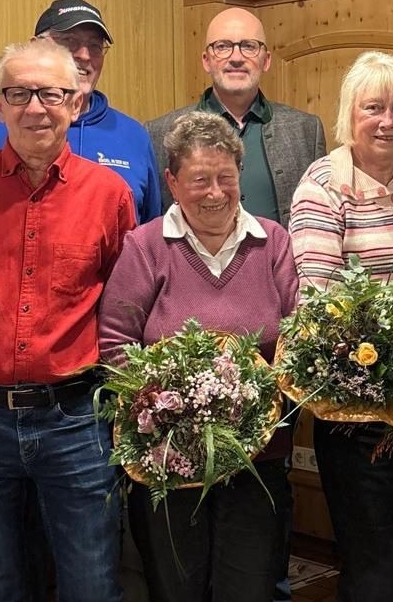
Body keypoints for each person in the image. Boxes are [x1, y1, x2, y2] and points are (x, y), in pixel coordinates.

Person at [0, 39, 135, 602]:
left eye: (51, 93)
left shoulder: (110, 194)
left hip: (76, 419)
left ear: (77, 101)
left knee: (91, 584)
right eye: (19, 93)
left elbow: (120, 308)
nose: (35, 107)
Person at [98, 111, 298, 602]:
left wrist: (253, 412)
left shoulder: (272, 242)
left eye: (225, 177)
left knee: (249, 588)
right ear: (171, 181)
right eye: (199, 180)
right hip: (168, 461)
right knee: (177, 587)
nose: (214, 192)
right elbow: (116, 342)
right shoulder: (145, 246)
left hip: (257, 461)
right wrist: (173, 418)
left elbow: (296, 337)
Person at [288, 51, 393, 602]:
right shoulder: (324, 181)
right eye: (373, 107)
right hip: (354, 403)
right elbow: (317, 301)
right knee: (374, 557)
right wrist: (383, 366)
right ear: (351, 113)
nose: (387, 120)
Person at [0, 0, 161, 224]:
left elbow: (149, 237)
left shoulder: (133, 136)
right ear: (35, 46)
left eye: (95, 46)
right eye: (69, 41)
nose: (84, 55)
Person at [147, 7, 326, 225]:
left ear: (266, 60)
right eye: (222, 47)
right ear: (206, 60)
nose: (236, 57)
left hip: (281, 259)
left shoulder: (305, 130)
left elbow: (320, 218)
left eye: (249, 46)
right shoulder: (160, 133)